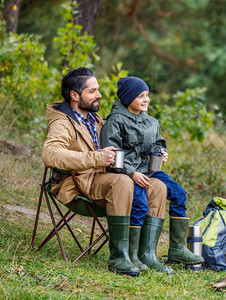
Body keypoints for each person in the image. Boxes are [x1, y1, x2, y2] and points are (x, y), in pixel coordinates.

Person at [42, 67, 167, 277]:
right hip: (78, 183)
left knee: (157, 186)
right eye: (92, 91)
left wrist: (154, 153)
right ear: (75, 95)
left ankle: (144, 254)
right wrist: (98, 157)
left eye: (97, 90)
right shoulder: (62, 121)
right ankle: (119, 257)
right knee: (122, 183)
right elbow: (51, 155)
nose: (99, 95)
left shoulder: (96, 119)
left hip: (102, 178)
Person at [100, 76, 204, 273]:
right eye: (140, 96)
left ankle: (177, 249)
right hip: (127, 174)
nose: (146, 99)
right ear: (127, 98)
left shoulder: (151, 122)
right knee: (140, 204)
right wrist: (131, 174)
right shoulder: (115, 121)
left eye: (147, 95)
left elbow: (157, 143)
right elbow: (112, 154)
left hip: (151, 170)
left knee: (179, 193)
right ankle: (133, 256)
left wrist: (161, 153)